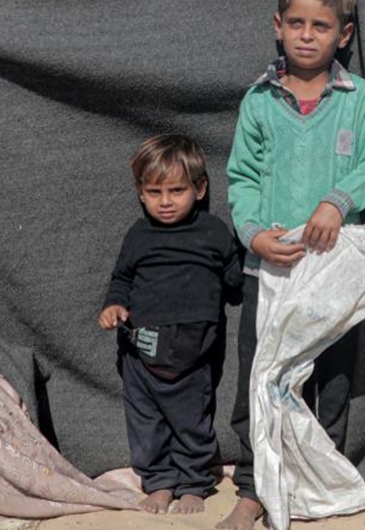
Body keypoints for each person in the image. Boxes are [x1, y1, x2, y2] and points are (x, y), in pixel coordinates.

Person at [219, 0, 365, 530]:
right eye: (298, 23)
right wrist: (255, 233)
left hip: (332, 269)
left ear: (344, 35)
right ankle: (254, 486)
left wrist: (335, 202)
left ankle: (316, 482)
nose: (309, 34)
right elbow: (243, 177)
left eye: (322, 25)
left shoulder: (354, 96)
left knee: (329, 377)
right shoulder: (259, 101)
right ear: (278, 27)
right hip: (272, 266)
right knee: (261, 376)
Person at [99, 134, 243, 515]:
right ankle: (159, 483)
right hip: (140, 353)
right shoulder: (139, 235)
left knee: (192, 422)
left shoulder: (213, 232)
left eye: (176, 190)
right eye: (154, 191)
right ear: (140, 193)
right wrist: (113, 305)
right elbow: (122, 279)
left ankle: (195, 484)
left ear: (199, 189)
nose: (165, 201)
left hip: (193, 356)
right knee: (146, 425)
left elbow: (234, 278)